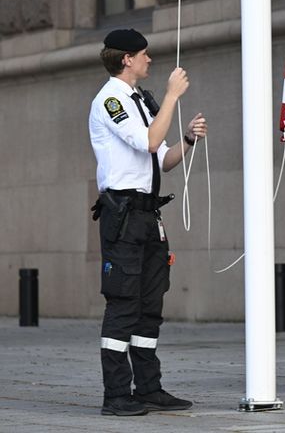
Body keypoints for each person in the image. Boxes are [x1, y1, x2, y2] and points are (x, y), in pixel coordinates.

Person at [88, 28, 207, 416]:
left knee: (150, 303)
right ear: (127, 59)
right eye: (144, 54)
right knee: (123, 302)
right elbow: (150, 143)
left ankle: (148, 387)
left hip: (146, 213)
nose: (149, 60)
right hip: (122, 215)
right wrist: (173, 96)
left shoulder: (139, 99)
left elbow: (162, 160)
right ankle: (116, 394)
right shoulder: (111, 99)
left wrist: (187, 141)